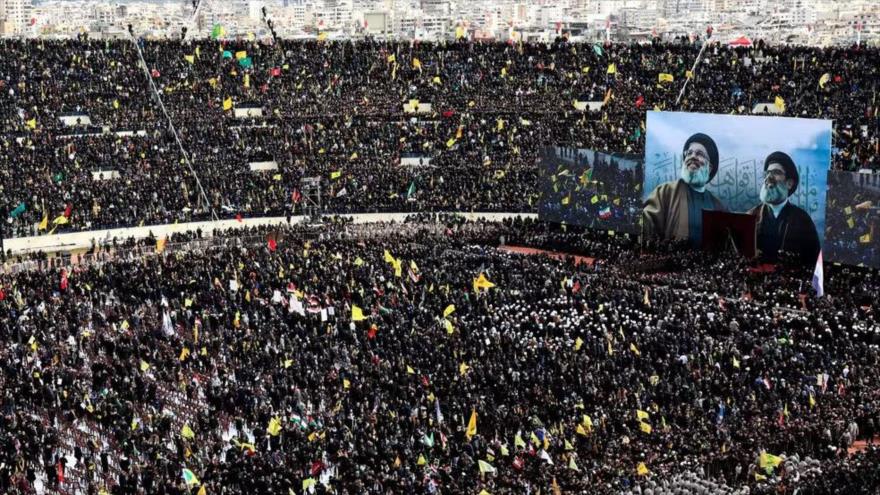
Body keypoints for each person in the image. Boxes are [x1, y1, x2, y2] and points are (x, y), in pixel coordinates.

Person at [642, 133, 726, 246]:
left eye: (700, 154)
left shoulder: (718, 206)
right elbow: (645, 225)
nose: (692, 156)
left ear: (710, 168)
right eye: (689, 153)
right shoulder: (665, 192)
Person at [748, 151, 820, 264]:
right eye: (767, 173)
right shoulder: (750, 217)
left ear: (789, 183)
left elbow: (813, 261)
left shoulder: (803, 221)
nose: (769, 178)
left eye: (776, 173)